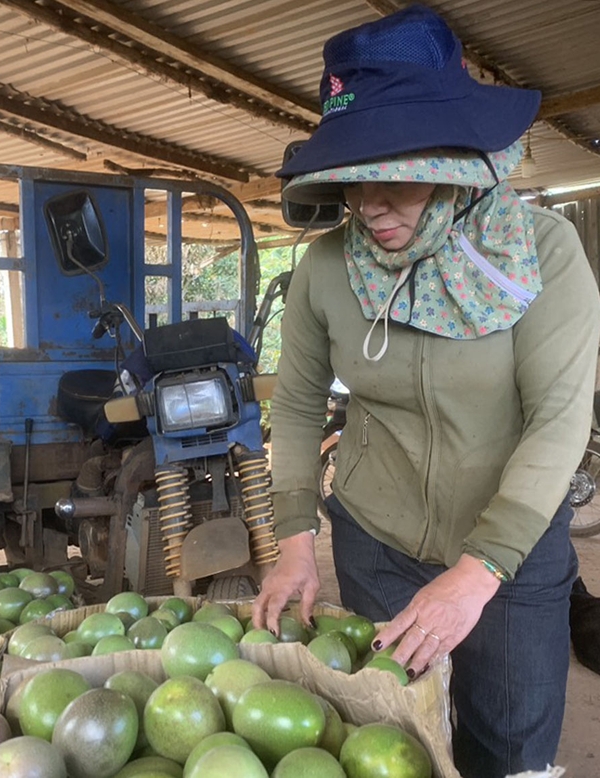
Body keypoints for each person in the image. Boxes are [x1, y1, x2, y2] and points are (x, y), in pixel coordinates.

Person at [251, 5, 600, 778]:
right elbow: (301, 404)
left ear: (453, 158)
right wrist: (295, 542)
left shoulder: (541, 254)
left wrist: (476, 574)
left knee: (507, 748)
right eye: (352, 180)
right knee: (394, 740)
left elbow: (559, 418)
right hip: (376, 542)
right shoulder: (325, 271)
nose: (370, 204)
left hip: (509, 550)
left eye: (395, 173)